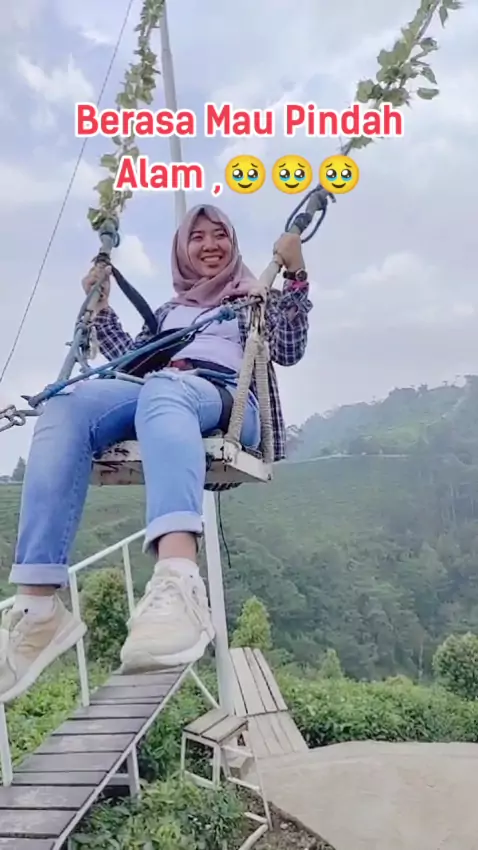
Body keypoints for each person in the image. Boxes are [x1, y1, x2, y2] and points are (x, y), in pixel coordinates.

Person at [0, 204, 312, 702]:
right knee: (66, 406)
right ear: (182, 250)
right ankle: (38, 610)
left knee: (166, 388)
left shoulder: (253, 297)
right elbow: (134, 359)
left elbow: (290, 348)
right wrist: (100, 310)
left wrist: (295, 276)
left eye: (219, 235)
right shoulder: (169, 313)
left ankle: (179, 580)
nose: (209, 245)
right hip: (157, 392)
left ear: (233, 244)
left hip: (226, 397)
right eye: (197, 237)